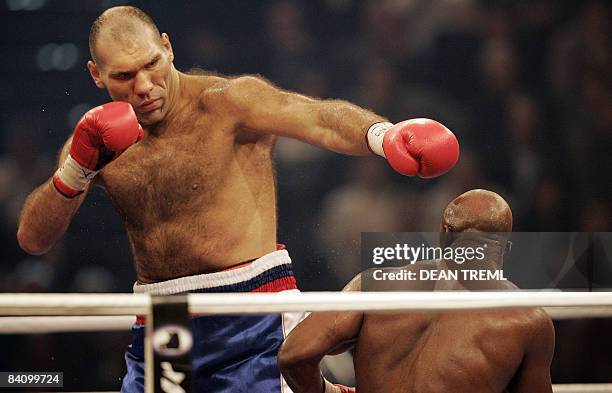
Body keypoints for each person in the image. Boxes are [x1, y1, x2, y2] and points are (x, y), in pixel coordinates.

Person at [16, 6, 459, 393]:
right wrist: (76, 170)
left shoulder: (226, 103)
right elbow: (34, 238)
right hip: (166, 317)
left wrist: (383, 136)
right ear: (96, 75)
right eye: (125, 76)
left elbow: (319, 118)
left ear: (168, 48)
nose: (145, 85)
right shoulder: (92, 141)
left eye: (152, 64)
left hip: (252, 309)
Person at [278, 189, 555, 393]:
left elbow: (296, 354)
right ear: (506, 249)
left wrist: (328, 392)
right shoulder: (527, 319)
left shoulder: (374, 284)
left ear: (443, 233)